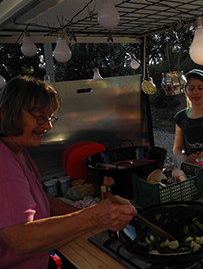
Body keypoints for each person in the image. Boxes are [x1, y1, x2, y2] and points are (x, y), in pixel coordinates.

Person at [0, 76, 137, 269]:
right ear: (5, 112)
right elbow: (20, 239)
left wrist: (87, 215)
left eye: (49, 117)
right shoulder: (2, 161)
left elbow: (41, 198)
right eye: (40, 117)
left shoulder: (18, 150)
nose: (48, 126)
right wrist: (92, 217)